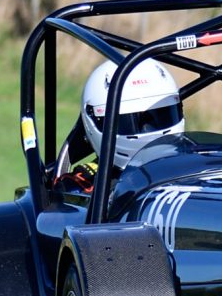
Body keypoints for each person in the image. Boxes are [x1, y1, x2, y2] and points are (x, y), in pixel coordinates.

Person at [53, 58, 185, 194]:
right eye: (128, 122)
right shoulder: (83, 187)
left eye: (161, 116)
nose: (148, 133)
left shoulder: (192, 166)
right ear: (96, 121)